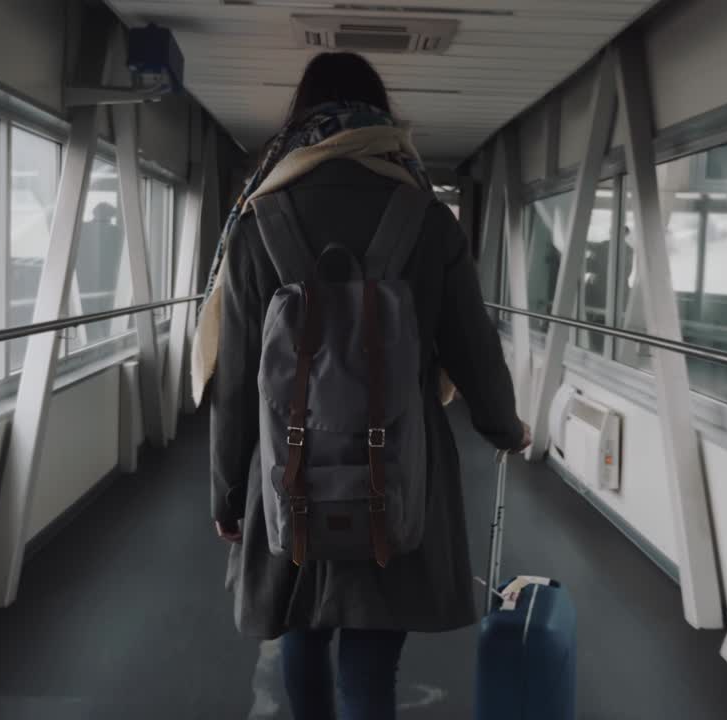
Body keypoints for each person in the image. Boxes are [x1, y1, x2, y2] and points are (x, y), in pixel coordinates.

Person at [205, 52, 529, 720]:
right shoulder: (427, 219)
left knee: (301, 630)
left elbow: (236, 382)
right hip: (400, 464)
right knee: (371, 657)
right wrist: (504, 428)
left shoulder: (259, 223)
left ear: (301, 118)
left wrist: (229, 496)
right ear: (381, 119)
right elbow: (473, 348)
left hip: (287, 467)